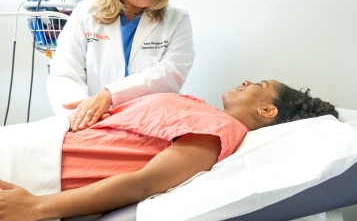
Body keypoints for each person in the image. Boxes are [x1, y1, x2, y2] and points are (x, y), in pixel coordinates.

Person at [0, 80, 338, 221]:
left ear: (268, 111)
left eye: (260, 86)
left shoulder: (220, 131)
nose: (247, 81)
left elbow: (145, 183)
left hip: (41, 170)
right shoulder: (202, 108)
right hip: (36, 140)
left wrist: (36, 206)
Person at [46, 0, 195, 132]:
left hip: (153, 125)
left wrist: (110, 95)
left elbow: (170, 74)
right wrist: (83, 114)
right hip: (92, 126)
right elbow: (64, 73)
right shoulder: (85, 14)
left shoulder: (177, 20)